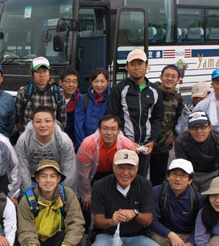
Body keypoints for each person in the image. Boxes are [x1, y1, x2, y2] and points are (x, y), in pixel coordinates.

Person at [85, 149, 170, 246]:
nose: (125, 173)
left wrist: (135, 213)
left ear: (137, 168)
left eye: (130, 168)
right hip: (109, 235)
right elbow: (98, 220)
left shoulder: (145, 185)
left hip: (136, 236)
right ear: (114, 167)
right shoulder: (100, 186)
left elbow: (148, 220)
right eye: (121, 167)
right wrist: (112, 221)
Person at [16, 160, 85, 246]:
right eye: (43, 176)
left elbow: (76, 223)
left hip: (57, 237)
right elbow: (25, 229)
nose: (48, 180)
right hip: (37, 239)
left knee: (78, 240)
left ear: (58, 179)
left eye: (52, 176)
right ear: (37, 178)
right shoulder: (27, 199)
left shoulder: (67, 194)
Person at [107, 49, 164, 178]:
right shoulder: (119, 89)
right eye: (133, 64)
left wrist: (153, 140)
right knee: (122, 178)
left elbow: (157, 118)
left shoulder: (155, 91)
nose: (136, 67)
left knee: (141, 180)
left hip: (145, 147)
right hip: (124, 145)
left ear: (146, 66)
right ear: (127, 67)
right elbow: (113, 117)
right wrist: (126, 141)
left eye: (140, 63)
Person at [149, 159, 204, 246]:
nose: (178, 179)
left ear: (190, 180)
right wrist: (171, 235)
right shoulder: (157, 192)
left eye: (183, 176)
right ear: (168, 176)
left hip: (186, 235)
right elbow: (152, 221)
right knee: (157, 241)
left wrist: (190, 242)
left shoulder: (198, 199)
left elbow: (199, 226)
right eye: (174, 174)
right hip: (163, 233)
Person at [76, 114, 136, 210]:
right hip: (93, 175)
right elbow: (83, 173)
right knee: (85, 204)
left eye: (113, 129)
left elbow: (131, 171)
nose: (109, 133)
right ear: (99, 130)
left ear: (119, 130)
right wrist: (87, 194)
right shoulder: (88, 144)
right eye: (105, 128)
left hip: (116, 175)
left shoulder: (127, 145)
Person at [15, 106, 77, 191]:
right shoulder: (24, 140)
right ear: (32, 124)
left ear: (54, 123)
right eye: (38, 121)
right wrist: (29, 193)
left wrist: (62, 193)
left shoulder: (64, 140)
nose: (43, 125)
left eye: (47, 121)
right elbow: (23, 169)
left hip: (56, 180)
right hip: (32, 179)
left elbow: (69, 171)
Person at [174, 110, 219, 191]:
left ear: (210, 127)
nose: (199, 131)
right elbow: (183, 166)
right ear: (189, 128)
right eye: (194, 128)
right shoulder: (181, 141)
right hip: (191, 174)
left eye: (203, 127)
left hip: (212, 174)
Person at [150, 64, 188, 186]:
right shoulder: (150, 93)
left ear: (178, 80)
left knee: (159, 180)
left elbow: (182, 120)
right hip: (145, 143)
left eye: (173, 76)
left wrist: (175, 135)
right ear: (161, 77)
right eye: (167, 75)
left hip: (162, 147)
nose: (169, 79)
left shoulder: (179, 99)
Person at [15, 56, 66, 132]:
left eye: (44, 71)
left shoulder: (58, 93)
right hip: (29, 138)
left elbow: (62, 120)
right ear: (32, 74)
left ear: (49, 73)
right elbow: (18, 119)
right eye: (37, 72)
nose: (42, 75)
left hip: (51, 138)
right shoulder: (23, 92)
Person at [74, 68, 111, 144]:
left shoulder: (112, 99)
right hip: (86, 144)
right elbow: (78, 126)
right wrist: (83, 145)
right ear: (91, 82)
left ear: (107, 82)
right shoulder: (83, 99)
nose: (99, 85)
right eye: (96, 81)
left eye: (102, 81)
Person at [58, 68, 81, 147]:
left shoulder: (81, 100)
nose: (71, 85)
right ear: (60, 82)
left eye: (74, 81)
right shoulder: (54, 98)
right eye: (68, 81)